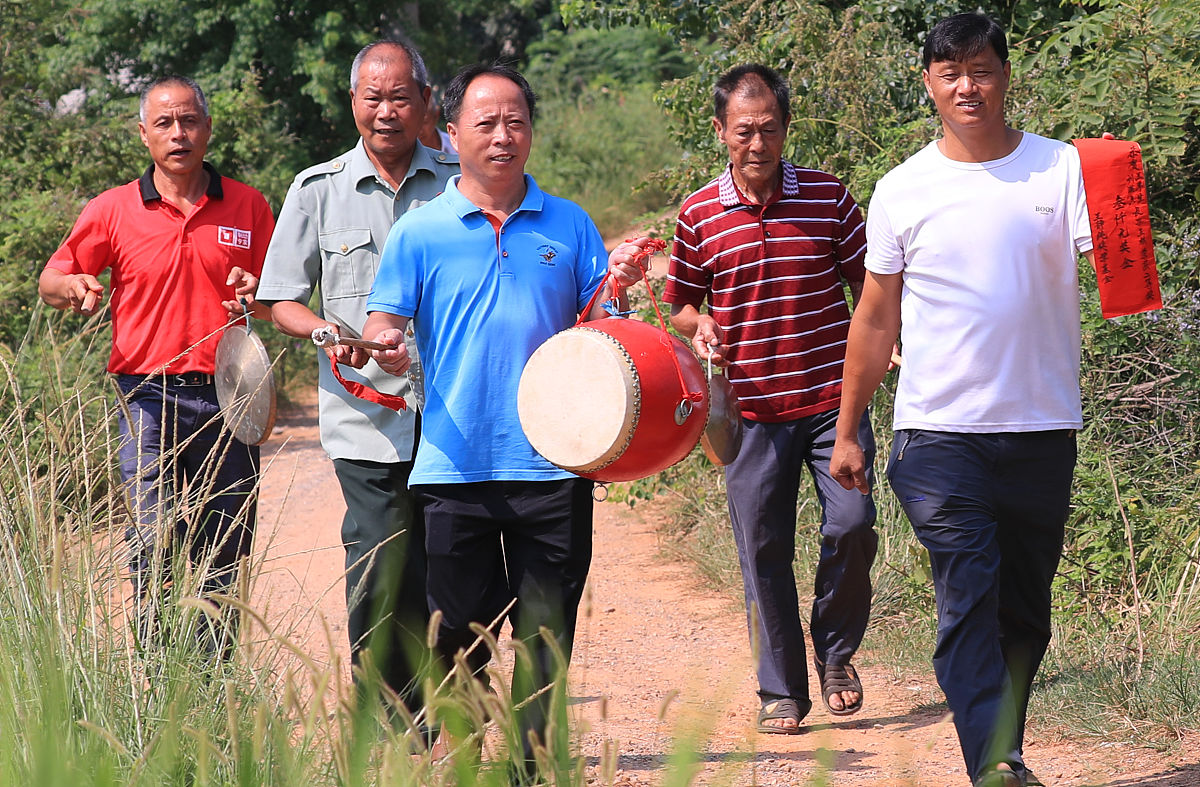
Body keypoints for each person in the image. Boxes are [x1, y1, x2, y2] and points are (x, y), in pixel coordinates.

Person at [361, 63, 651, 777]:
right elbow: (382, 324)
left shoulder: (570, 223)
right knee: (458, 632)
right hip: (453, 465)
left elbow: (600, 328)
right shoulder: (420, 232)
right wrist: (387, 346)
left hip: (555, 461)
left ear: (532, 131)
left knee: (547, 632)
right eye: (485, 122)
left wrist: (621, 285)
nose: (502, 135)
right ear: (450, 132)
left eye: (515, 120)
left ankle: (530, 765)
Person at [830, 13, 1094, 787]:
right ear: (929, 85)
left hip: (1043, 426)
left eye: (980, 70)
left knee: (1024, 611)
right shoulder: (904, 187)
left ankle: (1001, 743)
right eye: (951, 74)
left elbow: (1117, 270)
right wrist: (849, 430)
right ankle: (996, 763)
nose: (968, 86)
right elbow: (876, 319)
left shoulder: (1062, 169)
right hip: (939, 434)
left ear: (1005, 75)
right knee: (968, 590)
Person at [664, 64, 878, 734]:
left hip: (831, 406)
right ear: (721, 130)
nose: (757, 144)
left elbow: (871, 288)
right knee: (763, 548)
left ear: (788, 127)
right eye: (743, 131)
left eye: (769, 130)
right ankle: (780, 690)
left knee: (853, 524)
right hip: (749, 412)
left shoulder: (828, 198)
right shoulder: (699, 213)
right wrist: (697, 326)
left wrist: (889, 340)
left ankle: (836, 650)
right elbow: (681, 304)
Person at [255, 40, 458, 717]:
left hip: (456, 414)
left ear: (426, 103)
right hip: (364, 417)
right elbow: (279, 296)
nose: (387, 111)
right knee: (378, 556)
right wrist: (322, 331)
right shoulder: (318, 189)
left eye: (401, 96)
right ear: (353, 104)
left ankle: (445, 705)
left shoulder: (464, 181)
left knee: (447, 562)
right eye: (373, 98)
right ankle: (385, 710)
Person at [39, 75, 275, 656]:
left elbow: (280, 293)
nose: (179, 133)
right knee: (154, 540)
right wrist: (73, 284)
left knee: (225, 544)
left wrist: (259, 290)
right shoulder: (113, 209)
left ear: (208, 128)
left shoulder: (247, 204)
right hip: (147, 398)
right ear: (143, 134)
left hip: (231, 395)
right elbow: (50, 279)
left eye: (189, 120)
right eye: (165, 123)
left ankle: (213, 689)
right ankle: (160, 677)